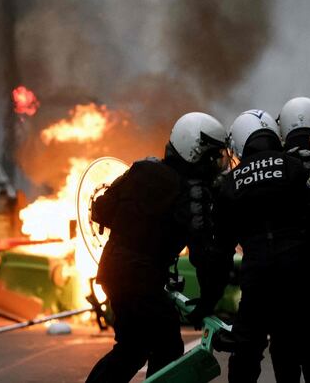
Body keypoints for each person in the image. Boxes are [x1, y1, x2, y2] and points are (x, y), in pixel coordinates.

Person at [85, 112, 228, 383]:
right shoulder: (192, 191)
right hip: (142, 280)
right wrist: (207, 304)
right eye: (211, 156)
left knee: (132, 348)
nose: (215, 165)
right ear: (193, 150)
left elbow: (101, 210)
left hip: (112, 273)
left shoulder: (141, 169)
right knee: (168, 346)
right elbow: (203, 254)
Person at [209, 109, 310, 382]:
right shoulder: (296, 167)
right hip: (299, 272)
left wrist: (209, 299)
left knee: (246, 352)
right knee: (305, 347)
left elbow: (221, 247)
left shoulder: (230, 183)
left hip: (257, 277)